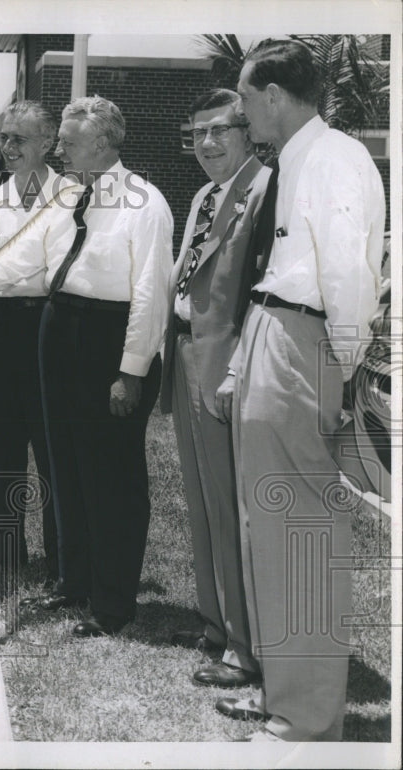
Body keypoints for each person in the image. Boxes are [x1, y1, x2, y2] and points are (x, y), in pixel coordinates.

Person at [0, 96, 172, 636]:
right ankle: (75, 585)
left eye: (68, 140)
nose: (61, 148)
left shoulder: (145, 202)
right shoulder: (70, 195)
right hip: (60, 329)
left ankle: (112, 603)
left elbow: (150, 294)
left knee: (109, 476)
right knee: (66, 468)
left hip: (108, 338)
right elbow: (20, 260)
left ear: (102, 142)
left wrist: (131, 371)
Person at [214, 39, 384, 741]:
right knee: (269, 527)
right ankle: (283, 690)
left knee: (301, 529)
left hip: (306, 341)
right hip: (276, 330)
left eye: (247, 98)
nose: (242, 111)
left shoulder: (334, 159)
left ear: (276, 96)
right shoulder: (299, 158)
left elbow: (347, 279)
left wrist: (340, 378)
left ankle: (309, 716)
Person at [159, 89, 267, 688]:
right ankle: (215, 622)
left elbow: (260, 292)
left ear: (247, 130)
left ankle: (245, 644)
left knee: (231, 504)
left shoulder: (265, 189)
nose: (206, 144)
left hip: (227, 363)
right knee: (201, 500)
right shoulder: (205, 194)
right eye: (196, 132)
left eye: (219, 131)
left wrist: (238, 367)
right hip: (185, 353)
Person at [0, 100, 70, 594]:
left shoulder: (70, 196)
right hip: (3, 325)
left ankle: (60, 558)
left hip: (50, 324)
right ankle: (7, 551)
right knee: (2, 444)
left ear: (47, 143)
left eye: (19, 139)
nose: (7, 148)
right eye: (4, 138)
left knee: (51, 447)